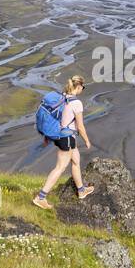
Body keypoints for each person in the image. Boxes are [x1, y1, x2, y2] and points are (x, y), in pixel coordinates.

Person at [33, 75, 95, 209]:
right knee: (60, 167)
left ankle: (81, 190)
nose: (82, 90)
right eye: (82, 88)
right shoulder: (76, 103)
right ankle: (40, 197)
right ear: (78, 87)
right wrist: (87, 140)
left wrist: (47, 136)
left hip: (61, 136)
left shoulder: (62, 97)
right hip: (66, 138)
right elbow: (80, 126)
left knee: (76, 161)